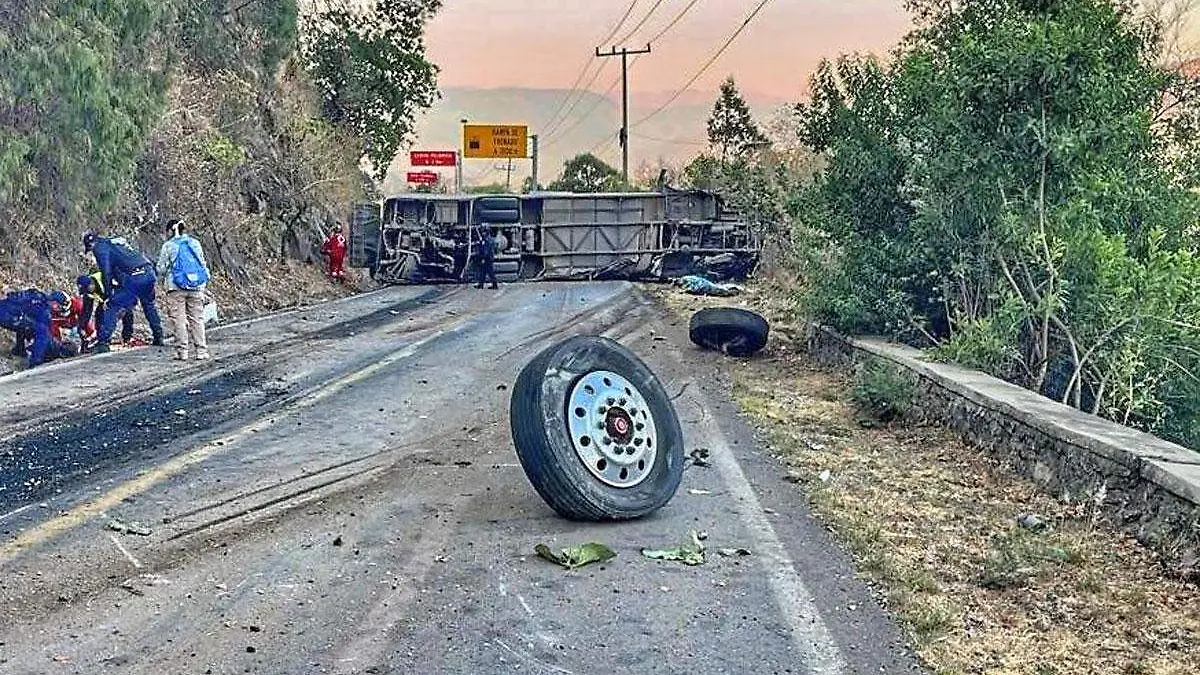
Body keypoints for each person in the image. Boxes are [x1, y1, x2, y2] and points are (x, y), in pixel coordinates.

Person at [83, 229, 165, 354]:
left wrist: (109, 295)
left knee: (113, 305)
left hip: (134, 276)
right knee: (148, 304)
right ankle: (158, 336)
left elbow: (106, 272)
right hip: (148, 272)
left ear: (91, 245)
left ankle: (103, 343)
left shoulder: (100, 248)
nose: (92, 254)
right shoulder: (117, 242)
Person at [156, 218, 211, 361]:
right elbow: (202, 263)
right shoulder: (195, 243)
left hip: (176, 287)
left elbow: (161, 268)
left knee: (179, 319)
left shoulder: (168, 246)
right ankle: (201, 351)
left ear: (170, 231)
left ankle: (183, 352)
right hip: (197, 286)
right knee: (197, 319)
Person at [0, 288, 60, 367]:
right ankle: (36, 360)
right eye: (58, 305)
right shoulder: (45, 310)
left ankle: (20, 350)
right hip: (9, 316)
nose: (58, 308)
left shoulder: (38, 296)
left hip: (5, 309)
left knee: (26, 325)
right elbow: (44, 332)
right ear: (54, 302)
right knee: (42, 330)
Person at [77, 271, 133, 350]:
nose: (87, 293)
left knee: (126, 312)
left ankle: (127, 338)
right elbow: (86, 312)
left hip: (122, 291)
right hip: (106, 298)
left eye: (87, 290)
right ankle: (101, 340)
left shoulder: (105, 278)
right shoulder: (88, 291)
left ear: (91, 284)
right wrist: (81, 327)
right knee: (99, 314)